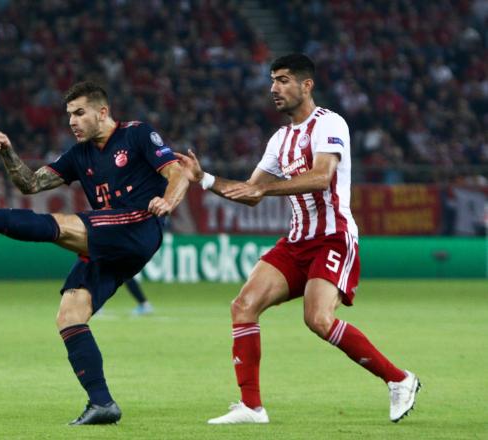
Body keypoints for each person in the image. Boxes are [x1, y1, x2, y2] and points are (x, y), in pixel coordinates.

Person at [175, 54, 420, 425]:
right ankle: (252, 407)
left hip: (333, 238)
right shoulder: (280, 140)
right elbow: (251, 191)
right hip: (296, 241)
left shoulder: (329, 123)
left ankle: (400, 380)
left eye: (284, 80)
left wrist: (265, 188)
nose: (274, 88)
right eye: (273, 80)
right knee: (243, 305)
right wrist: (204, 178)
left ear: (307, 85)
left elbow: (321, 177)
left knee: (318, 319)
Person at [0, 81, 189, 425]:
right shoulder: (78, 155)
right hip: (108, 243)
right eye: (69, 115)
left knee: (61, 225)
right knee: (70, 315)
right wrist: (7, 154)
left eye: (80, 113)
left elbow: (178, 172)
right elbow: (31, 184)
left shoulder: (136, 134)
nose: (73, 122)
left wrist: (168, 201)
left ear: (102, 112)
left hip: (139, 226)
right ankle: (102, 404)